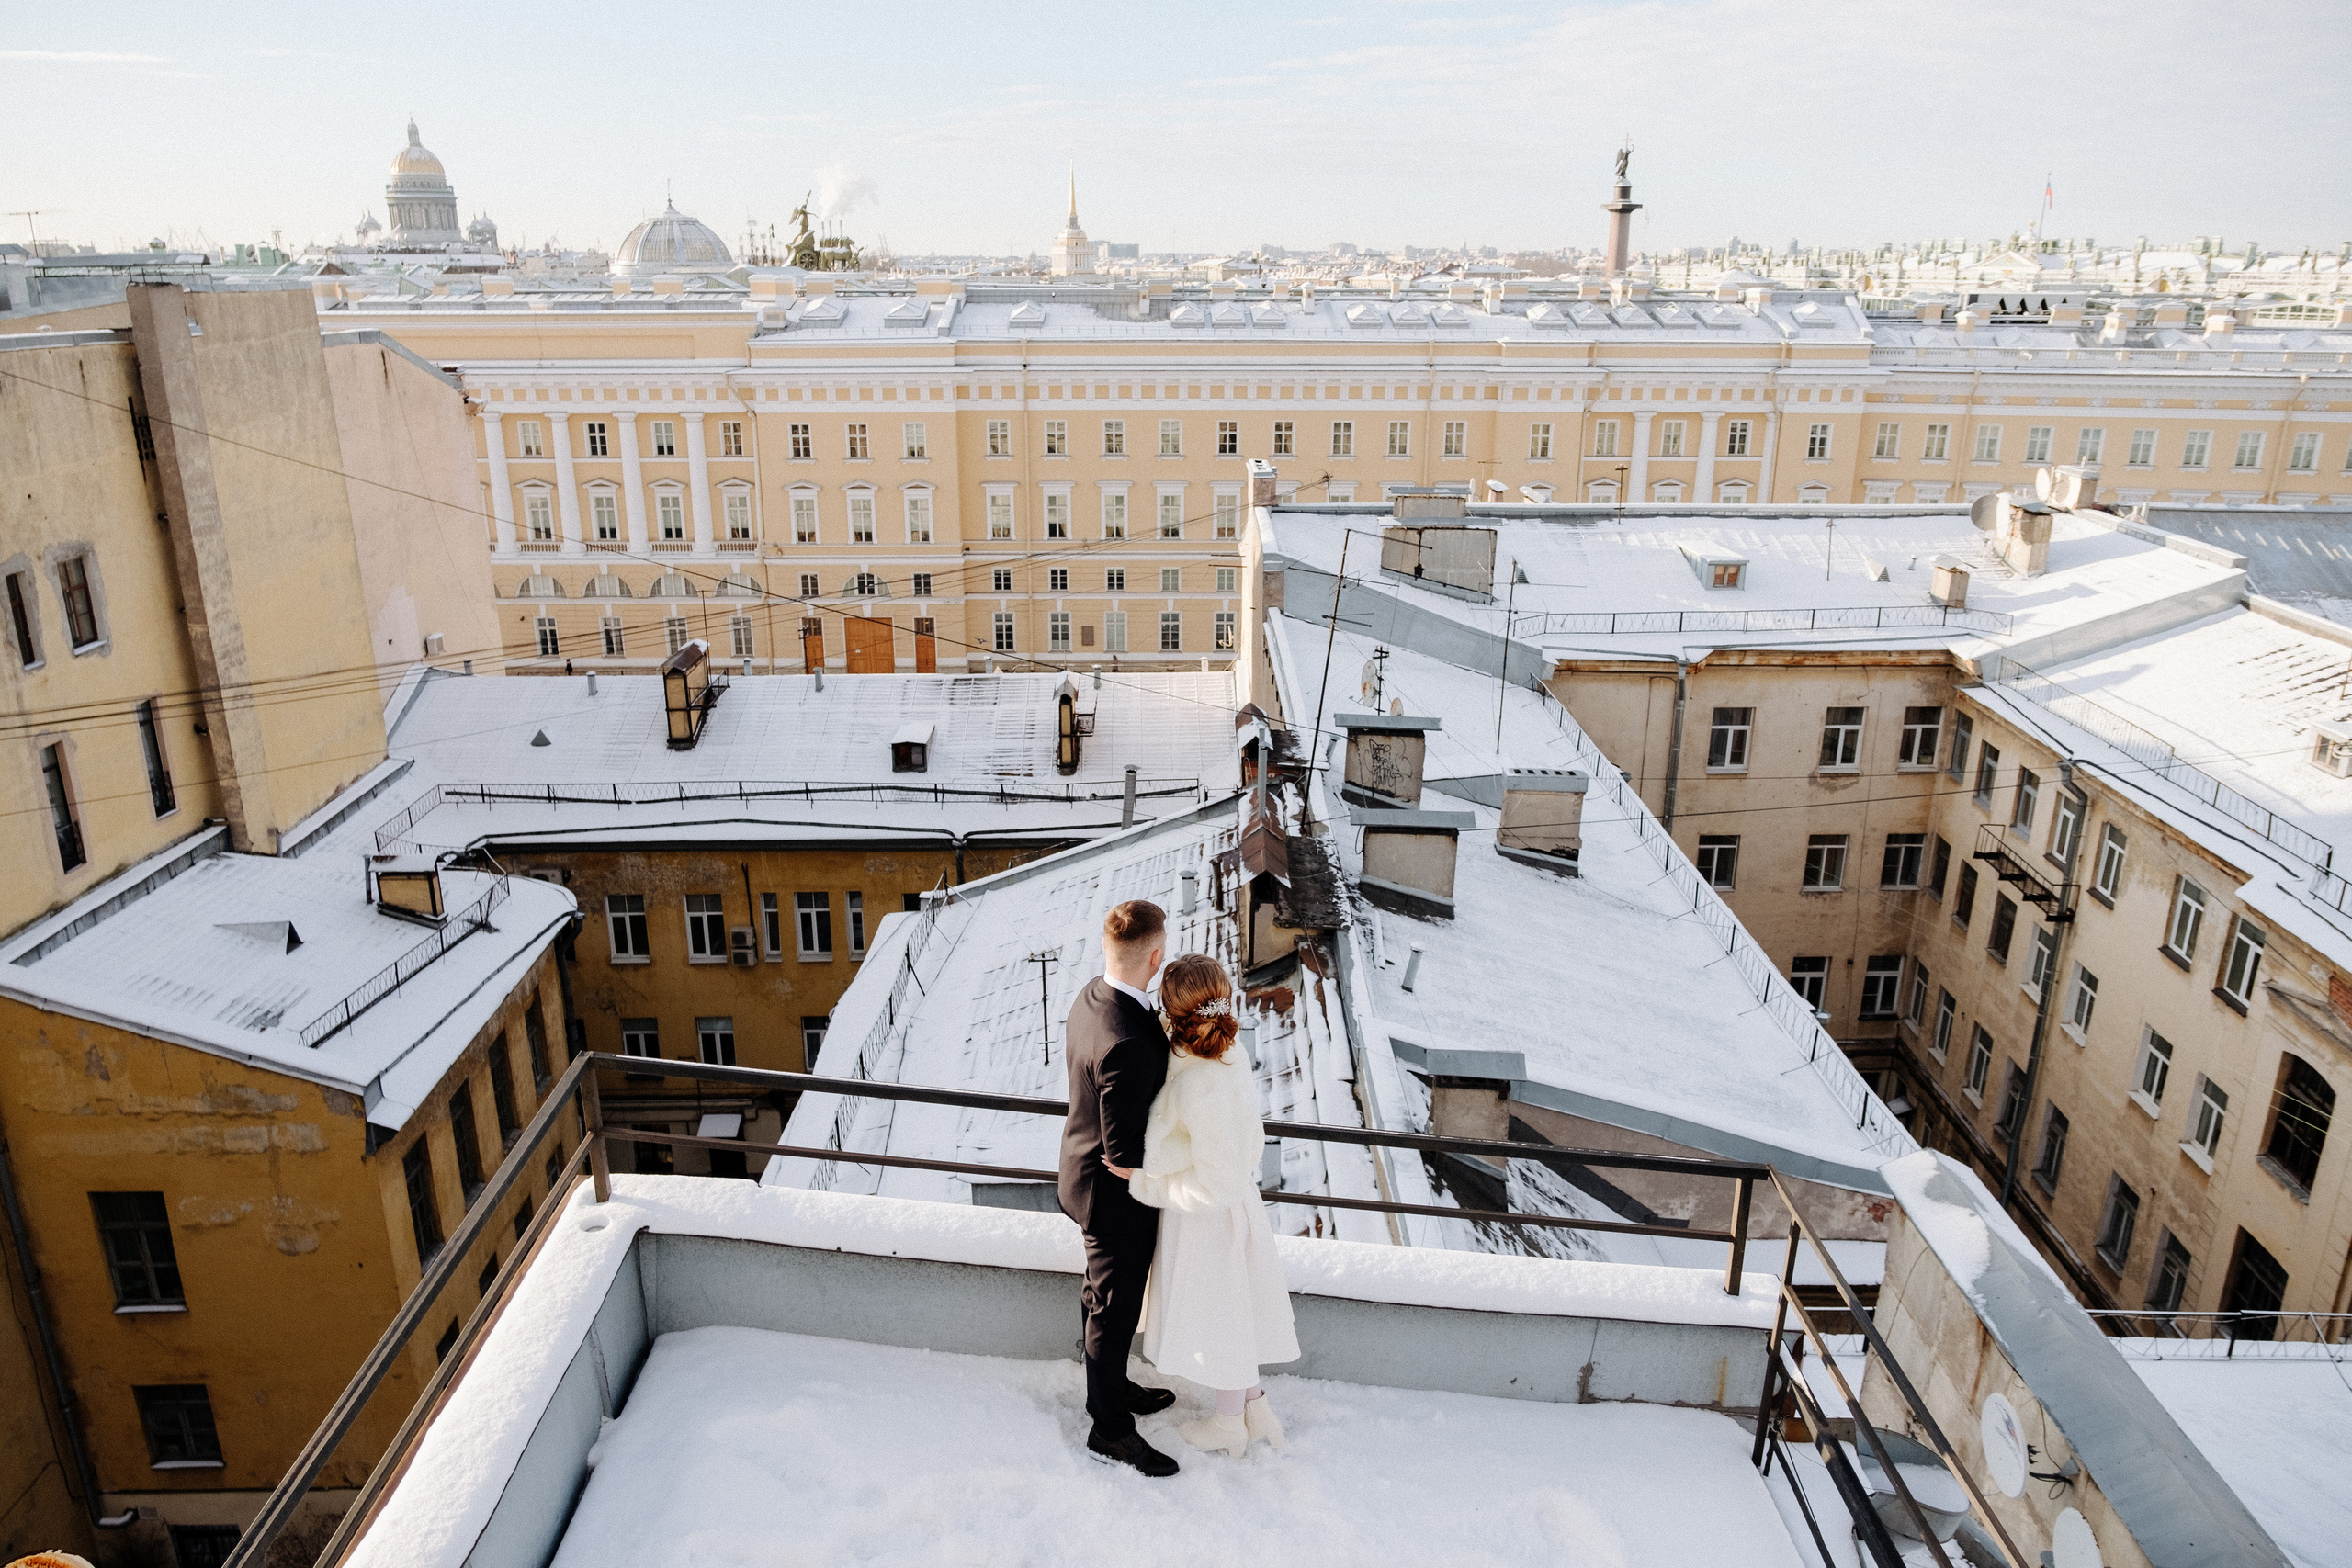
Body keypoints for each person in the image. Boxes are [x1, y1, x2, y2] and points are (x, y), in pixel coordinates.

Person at [1114, 953, 1300, 1457]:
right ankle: (1254, 1408)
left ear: (1174, 1013)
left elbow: (1213, 1181)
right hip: (1227, 1213)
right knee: (1233, 1316)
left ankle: (1227, 1424)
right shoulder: (1223, 1051)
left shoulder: (1202, 1080)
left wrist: (1144, 1182)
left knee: (1221, 1323)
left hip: (1208, 1220)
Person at [1057, 899, 1181, 1477]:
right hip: (1113, 1200)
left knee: (1099, 1302)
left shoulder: (1093, 995)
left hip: (1079, 1176)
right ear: (1155, 956)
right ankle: (1109, 1429)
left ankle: (1108, 1390)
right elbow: (1124, 1152)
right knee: (1113, 1311)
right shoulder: (1130, 1040)